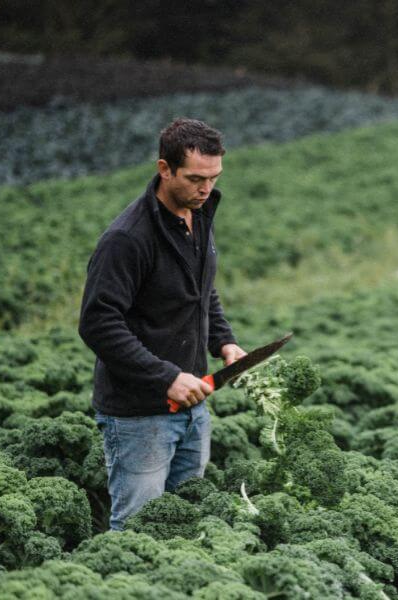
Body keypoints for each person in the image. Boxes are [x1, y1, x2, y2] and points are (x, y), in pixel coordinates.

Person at [79, 118, 246, 531]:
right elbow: (98, 323)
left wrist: (224, 342)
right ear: (164, 169)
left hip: (194, 405)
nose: (206, 189)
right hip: (140, 417)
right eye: (195, 179)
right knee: (137, 532)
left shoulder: (198, 213)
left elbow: (200, 289)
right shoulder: (127, 239)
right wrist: (166, 377)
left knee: (186, 524)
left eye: (214, 178)